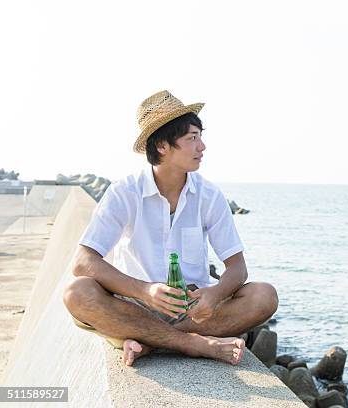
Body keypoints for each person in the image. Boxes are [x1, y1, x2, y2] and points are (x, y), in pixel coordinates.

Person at [62, 90, 278, 367]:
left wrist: (215, 293)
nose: (202, 147)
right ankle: (193, 343)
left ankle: (151, 343)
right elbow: (83, 262)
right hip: (135, 306)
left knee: (264, 295)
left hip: (194, 310)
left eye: (201, 136)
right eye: (192, 138)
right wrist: (144, 291)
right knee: (77, 292)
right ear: (163, 145)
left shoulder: (209, 195)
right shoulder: (124, 192)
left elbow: (237, 268)